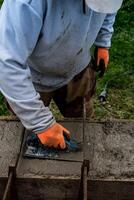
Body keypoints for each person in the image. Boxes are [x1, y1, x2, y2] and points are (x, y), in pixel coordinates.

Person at [0, 0, 123, 149]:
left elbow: (108, 9)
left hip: (78, 70)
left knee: (84, 125)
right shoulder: (26, 3)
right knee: (25, 139)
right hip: (33, 78)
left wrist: (103, 42)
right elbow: (6, 62)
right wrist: (40, 124)